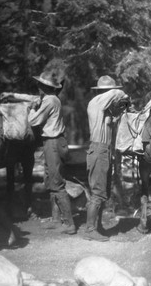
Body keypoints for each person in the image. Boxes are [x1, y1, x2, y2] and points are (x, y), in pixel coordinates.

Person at [27, 71, 76, 235]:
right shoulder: (51, 99)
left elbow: (34, 121)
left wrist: (32, 109)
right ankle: (56, 220)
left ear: (44, 87)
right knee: (50, 180)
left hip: (53, 142)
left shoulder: (49, 100)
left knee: (56, 182)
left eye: (40, 84)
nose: (38, 87)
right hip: (51, 141)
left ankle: (69, 223)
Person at [84, 75, 130, 241]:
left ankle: (97, 226)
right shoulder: (96, 102)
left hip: (104, 151)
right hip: (98, 150)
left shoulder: (103, 108)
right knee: (97, 192)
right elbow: (120, 93)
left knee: (103, 191)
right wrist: (119, 95)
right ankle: (90, 230)